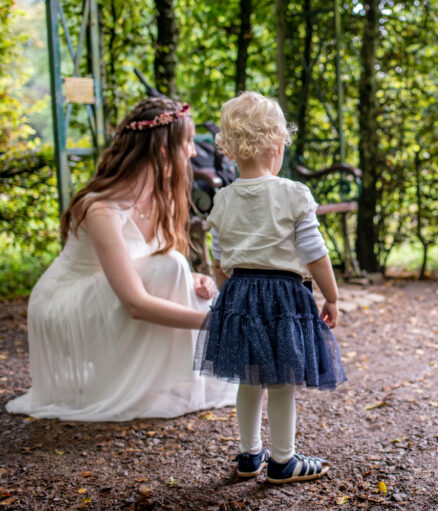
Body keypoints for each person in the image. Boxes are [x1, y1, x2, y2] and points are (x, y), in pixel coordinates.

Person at [5, 97, 236, 422]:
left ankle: (161, 382)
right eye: (187, 142)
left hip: (109, 296)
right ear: (162, 150)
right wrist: (218, 324)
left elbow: (156, 260)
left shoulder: (159, 195)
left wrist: (197, 280)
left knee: (176, 267)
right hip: (65, 307)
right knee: (173, 270)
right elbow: (135, 303)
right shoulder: (99, 207)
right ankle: (139, 384)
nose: (194, 152)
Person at [194, 91, 346, 484]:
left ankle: (249, 454)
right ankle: (284, 459)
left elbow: (220, 257)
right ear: (278, 145)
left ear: (229, 150)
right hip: (283, 296)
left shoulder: (222, 199)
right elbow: (314, 252)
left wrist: (230, 297)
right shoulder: (292, 193)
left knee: (249, 377)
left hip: (240, 294)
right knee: (281, 380)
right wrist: (330, 295)